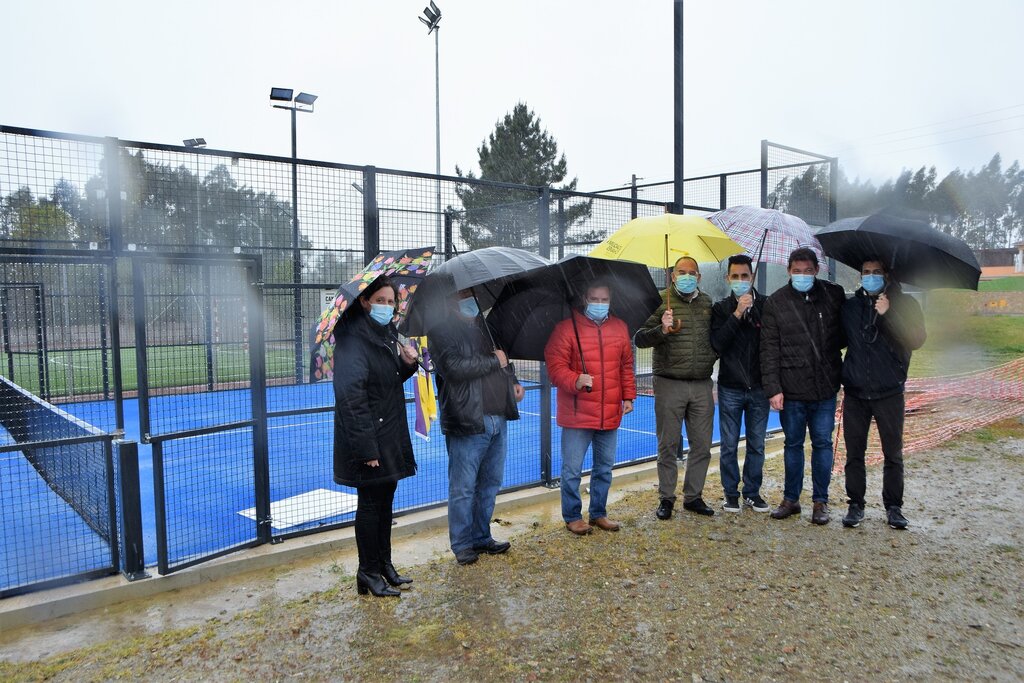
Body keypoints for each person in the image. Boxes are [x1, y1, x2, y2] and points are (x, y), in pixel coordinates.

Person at [333, 276, 420, 598]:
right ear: (365, 302)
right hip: (369, 439)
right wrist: (366, 448)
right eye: (380, 300)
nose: (387, 307)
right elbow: (351, 399)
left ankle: (384, 565)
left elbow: (386, 382)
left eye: (390, 301)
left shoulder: (384, 336)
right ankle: (367, 572)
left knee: (385, 504)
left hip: (388, 434)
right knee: (370, 506)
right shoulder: (352, 342)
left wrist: (406, 365)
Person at [431, 289, 525, 566]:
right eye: (462, 295)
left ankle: (481, 536)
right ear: (451, 299)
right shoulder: (441, 331)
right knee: (463, 487)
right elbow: (453, 368)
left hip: (498, 418)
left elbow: (503, 359)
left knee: (490, 483)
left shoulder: (486, 326)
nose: (469, 300)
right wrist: (494, 361)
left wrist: (513, 381)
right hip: (468, 421)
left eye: (471, 294)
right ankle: (461, 544)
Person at [761, 247, 846, 525]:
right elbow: (769, 349)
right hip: (791, 390)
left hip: (825, 389)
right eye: (796, 271)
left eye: (807, 271)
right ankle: (791, 499)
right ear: (788, 271)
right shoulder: (775, 302)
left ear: (816, 270)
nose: (802, 275)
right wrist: (773, 388)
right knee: (793, 445)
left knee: (822, 443)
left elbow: (843, 336)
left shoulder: (833, 295)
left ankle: (820, 502)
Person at [839, 259, 926, 530]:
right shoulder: (851, 306)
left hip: (889, 391)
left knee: (893, 453)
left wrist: (889, 314)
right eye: (866, 272)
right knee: (855, 452)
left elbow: (916, 340)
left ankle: (894, 507)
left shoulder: (907, 305)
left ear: (887, 275)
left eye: (877, 272)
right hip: (855, 392)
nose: (871, 276)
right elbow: (838, 340)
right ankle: (855, 503)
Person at [544, 281, 637, 535]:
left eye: (603, 299)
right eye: (594, 299)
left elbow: (626, 365)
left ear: (610, 300)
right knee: (572, 471)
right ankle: (573, 516)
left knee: (604, 468)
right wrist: (575, 379)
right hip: (577, 415)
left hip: (609, 413)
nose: (599, 304)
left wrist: (628, 395)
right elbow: (555, 368)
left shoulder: (620, 328)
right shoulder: (565, 329)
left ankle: (598, 513)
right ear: (585, 299)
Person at [635, 256, 718, 520]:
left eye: (692, 272)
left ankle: (693, 497)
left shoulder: (707, 303)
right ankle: (666, 498)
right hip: (669, 383)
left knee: (702, 446)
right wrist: (662, 329)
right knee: (668, 445)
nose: (687, 276)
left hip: (702, 384)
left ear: (699, 277)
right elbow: (639, 338)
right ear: (672, 275)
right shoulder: (660, 301)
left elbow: (715, 337)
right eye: (681, 272)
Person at [710, 254, 770, 513]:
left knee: (757, 444)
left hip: (759, 388)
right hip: (730, 387)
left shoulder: (767, 305)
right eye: (735, 276)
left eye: (745, 276)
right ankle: (730, 493)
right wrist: (737, 313)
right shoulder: (721, 309)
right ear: (728, 278)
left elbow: (771, 344)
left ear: (752, 277)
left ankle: (752, 492)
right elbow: (717, 345)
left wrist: (752, 311)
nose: (740, 280)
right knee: (729, 444)